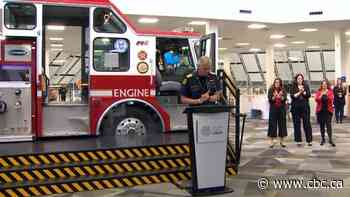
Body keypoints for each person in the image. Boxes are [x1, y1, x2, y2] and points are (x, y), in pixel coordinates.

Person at [290, 73, 313, 146]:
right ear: (296, 80)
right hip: (296, 108)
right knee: (297, 124)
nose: (300, 80)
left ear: (303, 79)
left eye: (301, 78)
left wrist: (303, 91)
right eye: (298, 78)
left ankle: (309, 140)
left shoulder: (306, 86)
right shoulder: (293, 86)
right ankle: (298, 141)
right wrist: (300, 91)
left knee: (307, 124)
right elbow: (293, 96)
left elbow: (308, 95)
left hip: (305, 107)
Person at [267, 78, 288, 148]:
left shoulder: (283, 90)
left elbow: (284, 99)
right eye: (276, 82)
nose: (277, 84)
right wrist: (275, 96)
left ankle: (282, 141)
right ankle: (271, 141)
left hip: (281, 109)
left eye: (278, 82)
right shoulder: (271, 89)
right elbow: (270, 99)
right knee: (272, 124)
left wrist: (280, 96)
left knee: (282, 124)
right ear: (274, 83)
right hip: (273, 109)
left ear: (280, 83)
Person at [315, 80, 335, 147]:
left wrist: (326, 94)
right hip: (320, 111)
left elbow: (331, 99)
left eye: (325, 84)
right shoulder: (319, 91)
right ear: (321, 85)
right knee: (322, 126)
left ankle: (330, 139)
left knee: (329, 125)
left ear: (327, 85)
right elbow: (317, 99)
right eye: (323, 84)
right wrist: (321, 95)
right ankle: (323, 139)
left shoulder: (330, 91)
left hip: (328, 111)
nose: (324, 85)